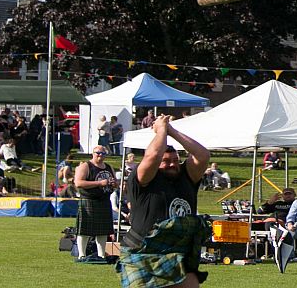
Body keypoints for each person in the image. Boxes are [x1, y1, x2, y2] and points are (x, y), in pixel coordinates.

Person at [118, 115, 211, 288]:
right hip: (143, 250)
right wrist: (161, 130)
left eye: (175, 160)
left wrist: (172, 131)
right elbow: (153, 155)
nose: (172, 165)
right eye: (166, 161)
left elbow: (203, 155)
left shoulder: (187, 176)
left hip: (178, 251)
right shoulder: (144, 179)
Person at [74, 146, 117, 264]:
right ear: (93, 153)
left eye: (103, 153)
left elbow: (115, 183)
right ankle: (82, 255)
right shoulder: (86, 166)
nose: (100, 155)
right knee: (84, 230)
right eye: (98, 153)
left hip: (104, 200)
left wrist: (113, 184)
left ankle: (101, 255)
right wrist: (99, 183)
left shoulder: (108, 167)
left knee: (103, 230)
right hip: (89, 200)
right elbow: (78, 183)